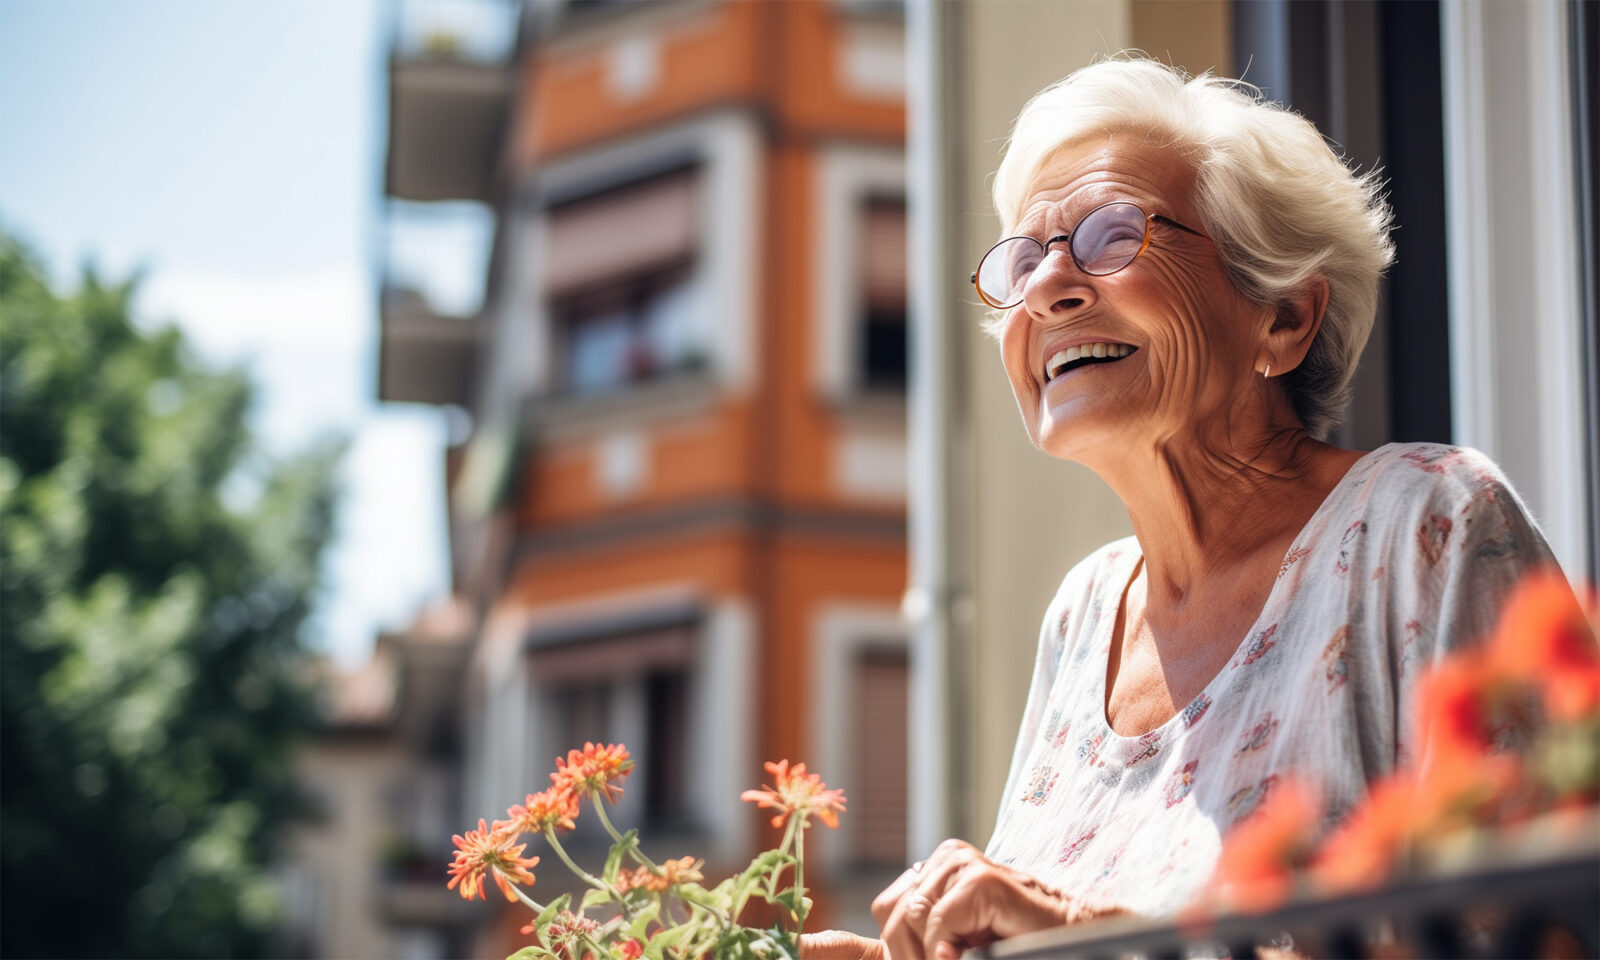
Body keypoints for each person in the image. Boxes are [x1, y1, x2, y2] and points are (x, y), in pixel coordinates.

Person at [802, 57, 1567, 960]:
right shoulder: (1086, 616)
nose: (1049, 287)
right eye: (1022, 259)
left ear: (1282, 318)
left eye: (1112, 235)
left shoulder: (1426, 523)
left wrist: (1107, 942)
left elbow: (1547, 935)